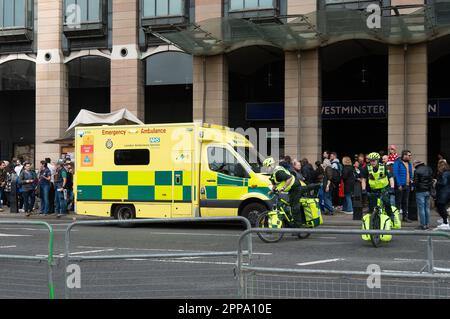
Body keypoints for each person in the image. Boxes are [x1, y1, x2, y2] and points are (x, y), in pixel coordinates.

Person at [263, 157, 317, 227]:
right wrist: (271, 191)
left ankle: (298, 227)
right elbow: (274, 184)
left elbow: (289, 178)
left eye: (267, 167)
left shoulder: (278, 172)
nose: (266, 169)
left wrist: (283, 188)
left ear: (271, 165)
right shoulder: (273, 173)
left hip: (296, 187)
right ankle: (290, 220)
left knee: (294, 207)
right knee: (286, 204)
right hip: (291, 189)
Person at [361, 152, 396, 221]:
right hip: (373, 189)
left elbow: (391, 178)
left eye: (374, 160)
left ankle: (391, 215)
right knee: (371, 204)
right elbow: (363, 179)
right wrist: (363, 189)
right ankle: (373, 218)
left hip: (384, 188)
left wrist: (392, 188)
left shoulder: (384, 167)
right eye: (371, 160)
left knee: (386, 201)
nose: (372, 162)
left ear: (377, 160)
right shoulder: (367, 168)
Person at [393, 150, 413, 223]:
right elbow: (396, 174)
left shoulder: (409, 163)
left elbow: (410, 174)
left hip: (407, 185)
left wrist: (411, 181)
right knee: (398, 202)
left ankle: (405, 217)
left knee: (405, 202)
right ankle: (396, 218)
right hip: (400, 186)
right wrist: (399, 184)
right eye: (409, 155)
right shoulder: (397, 162)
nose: (410, 157)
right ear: (404, 155)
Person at [413, 160, 433, 230]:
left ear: (416, 164)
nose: (413, 166)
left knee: (421, 209)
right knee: (427, 208)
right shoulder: (429, 168)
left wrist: (414, 185)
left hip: (420, 191)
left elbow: (416, 182)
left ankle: (423, 225)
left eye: (413, 164)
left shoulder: (417, 171)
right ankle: (427, 224)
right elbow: (431, 180)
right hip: (428, 190)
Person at [435, 161, 450, 230]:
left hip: (444, 192)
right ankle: (445, 221)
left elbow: (443, 182)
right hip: (446, 192)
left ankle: (445, 222)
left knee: (440, 206)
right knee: (441, 206)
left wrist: (436, 182)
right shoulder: (447, 172)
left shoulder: (444, 173)